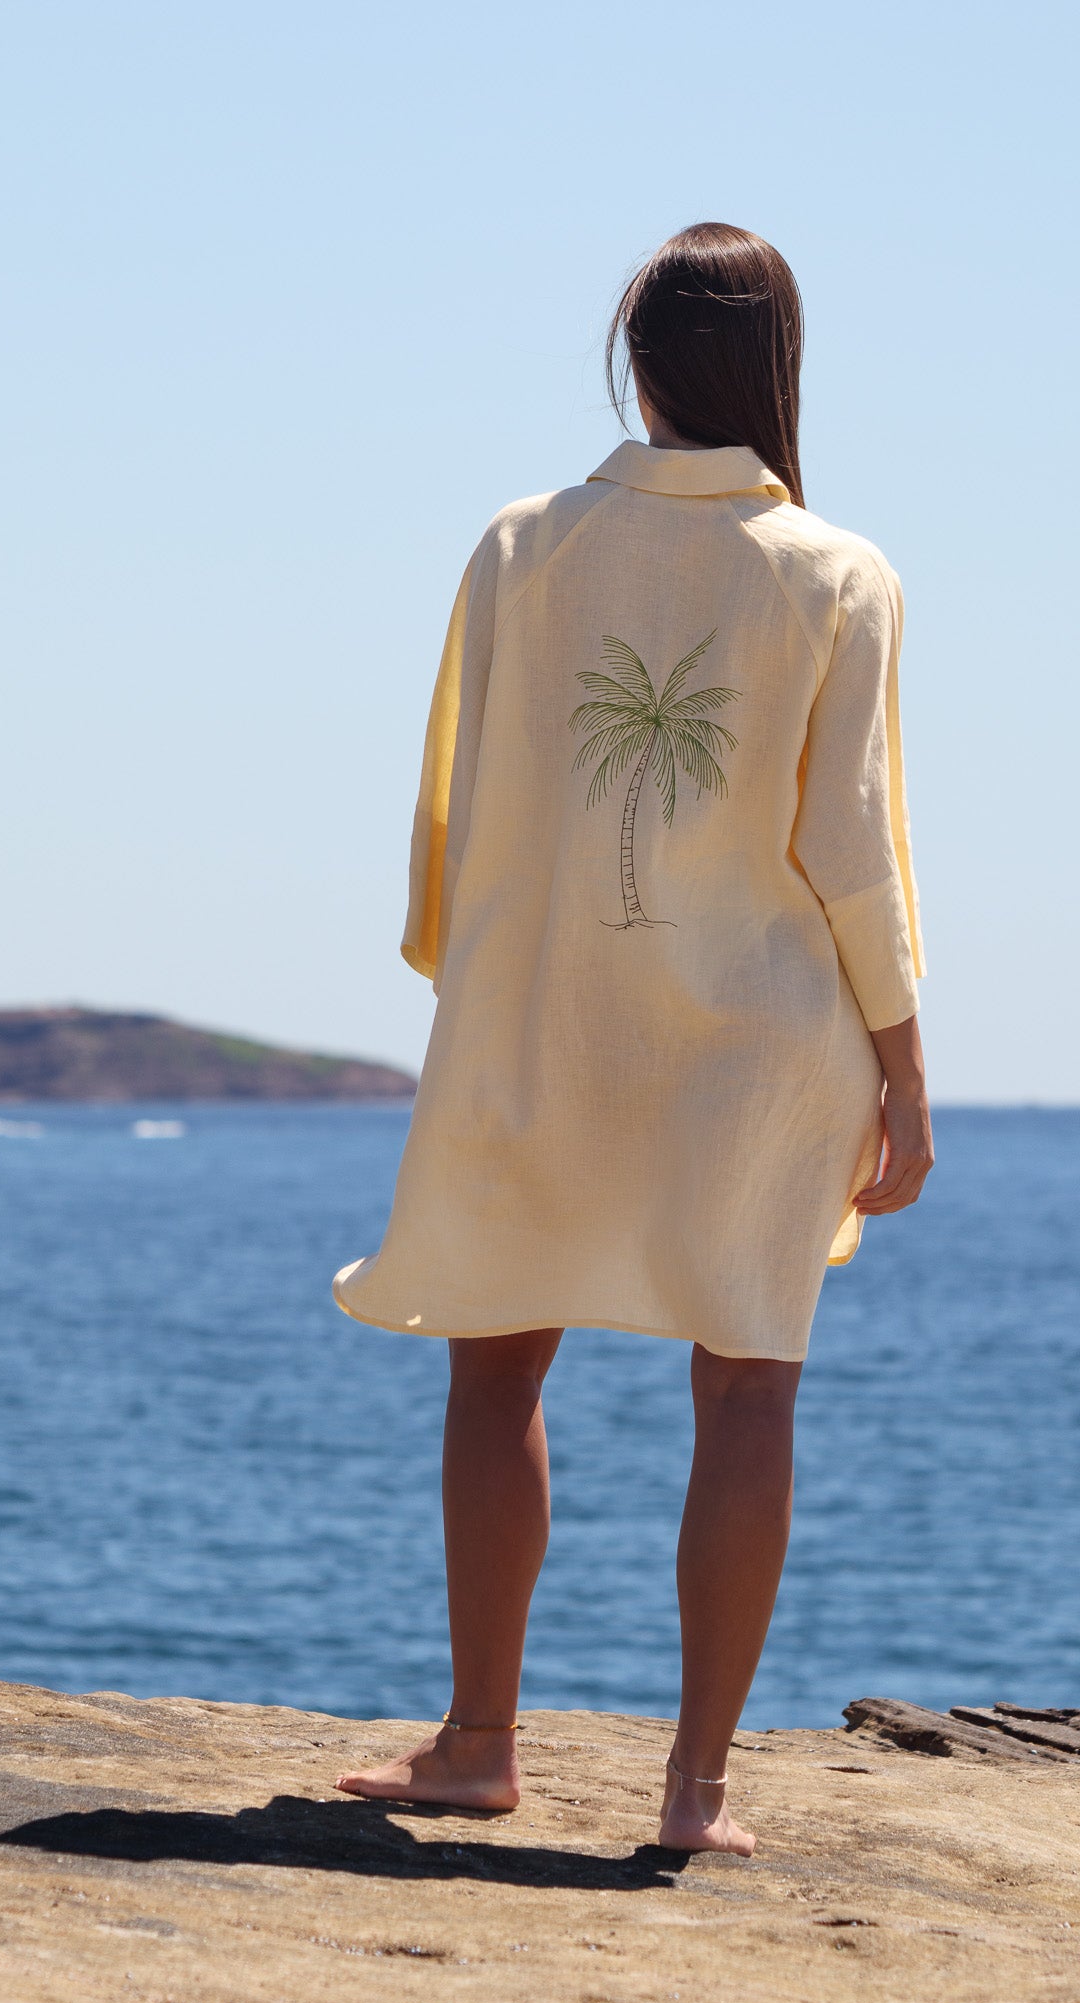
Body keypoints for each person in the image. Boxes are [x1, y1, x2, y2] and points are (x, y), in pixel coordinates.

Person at [330, 223, 932, 1857]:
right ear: (775, 367)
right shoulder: (838, 572)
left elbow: (459, 806)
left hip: (539, 1020)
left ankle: (474, 1744)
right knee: (744, 1396)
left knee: (492, 1359)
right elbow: (851, 848)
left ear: (640, 362)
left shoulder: (520, 545)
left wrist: (488, 993)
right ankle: (696, 1793)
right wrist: (903, 1074)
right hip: (765, 1044)